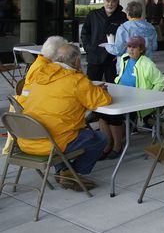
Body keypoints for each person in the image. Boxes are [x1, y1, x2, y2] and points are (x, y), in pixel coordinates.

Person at [18, 44, 111, 190]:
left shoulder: (40, 74)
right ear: (76, 61)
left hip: (25, 140)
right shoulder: (77, 80)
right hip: (51, 144)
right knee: (100, 138)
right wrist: (100, 91)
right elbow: (102, 101)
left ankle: (63, 170)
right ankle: (70, 172)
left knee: (58, 131)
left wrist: (90, 90)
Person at [97, 36, 164, 160]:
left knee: (113, 116)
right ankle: (107, 144)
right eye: (129, 46)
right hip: (122, 93)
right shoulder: (124, 58)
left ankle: (117, 146)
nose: (131, 50)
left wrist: (150, 97)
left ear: (142, 50)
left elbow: (160, 82)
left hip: (136, 100)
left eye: (134, 47)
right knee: (101, 114)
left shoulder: (147, 64)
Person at [81, 0, 127, 83]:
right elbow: (85, 33)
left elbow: (126, 38)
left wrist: (119, 53)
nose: (110, 4)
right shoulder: (93, 15)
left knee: (114, 87)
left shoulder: (123, 17)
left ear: (117, 1)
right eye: (108, 1)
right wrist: (89, 49)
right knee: (92, 86)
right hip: (94, 58)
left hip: (112, 59)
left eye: (113, 1)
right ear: (104, 1)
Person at [16, 36, 68, 107]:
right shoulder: (44, 69)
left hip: (28, 103)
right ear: (58, 54)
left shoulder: (41, 62)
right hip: (31, 109)